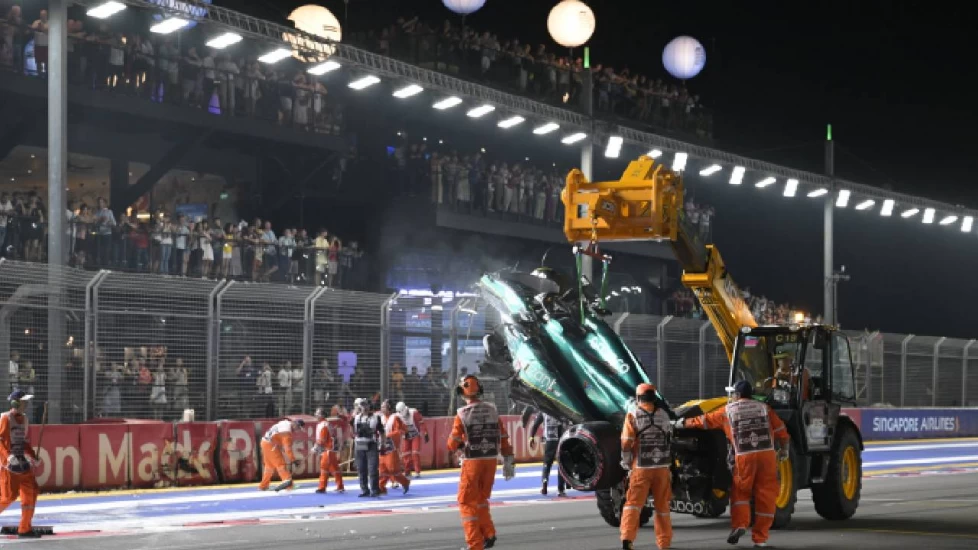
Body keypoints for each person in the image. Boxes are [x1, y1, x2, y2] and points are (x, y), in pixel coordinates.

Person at [677, 380, 790, 547]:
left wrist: (682, 423)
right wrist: (785, 449)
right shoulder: (764, 408)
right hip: (767, 456)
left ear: (737, 394)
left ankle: (740, 525)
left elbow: (705, 421)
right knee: (766, 496)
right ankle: (761, 539)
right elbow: (781, 430)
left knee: (741, 494)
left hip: (745, 456)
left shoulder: (728, 410)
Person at [447, 375, 515, 550]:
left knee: (466, 502)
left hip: (472, 462)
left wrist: (458, 444)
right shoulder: (492, 410)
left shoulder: (462, 414)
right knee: (481, 499)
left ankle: (475, 545)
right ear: (480, 390)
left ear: (462, 393)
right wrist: (508, 458)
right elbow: (503, 436)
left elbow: (452, 443)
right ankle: (489, 533)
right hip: (491, 461)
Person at [620, 383, 673, 550]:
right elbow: (669, 438)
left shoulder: (633, 415)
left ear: (638, 398)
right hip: (662, 467)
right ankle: (664, 543)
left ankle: (627, 539)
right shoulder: (663, 415)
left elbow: (626, 443)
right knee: (662, 506)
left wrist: (626, 463)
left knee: (633, 504)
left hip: (641, 468)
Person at [0, 391, 40, 538]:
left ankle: (25, 528)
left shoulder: (25, 419)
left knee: (31, 492)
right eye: (24, 401)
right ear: (15, 403)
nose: (27, 404)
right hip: (8, 466)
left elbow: (24, 442)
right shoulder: (6, 418)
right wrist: (8, 456)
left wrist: (33, 456)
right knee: (8, 497)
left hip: (22, 463)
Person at [258, 417, 304, 492]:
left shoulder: (285, 422)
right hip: (271, 444)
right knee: (280, 464)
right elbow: (287, 449)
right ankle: (289, 484)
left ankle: (263, 485)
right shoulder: (287, 433)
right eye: (298, 428)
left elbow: (277, 436)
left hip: (265, 442)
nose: (297, 430)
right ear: (296, 425)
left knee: (269, 466)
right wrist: (293, 460)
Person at [528, 411, 567, 496]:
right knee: (561, 464)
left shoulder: (544, 411)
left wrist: (531, 437)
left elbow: (535, 425)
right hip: (560, 440)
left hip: (549, 440)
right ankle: (561, 489)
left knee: (547, 463)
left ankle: (544, 483)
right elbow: (566, 424)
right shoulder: (560, 411)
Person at [353, 398, 384, 498]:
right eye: (362, 405)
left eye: (366, 405)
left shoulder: (376, 418)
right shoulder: (356, 418)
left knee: (372, 468)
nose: (364, 407)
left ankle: (374, 490)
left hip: (371, 445)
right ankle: (364, 489)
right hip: (359, 445)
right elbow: (352, 430)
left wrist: (382, 444)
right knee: (361, 469)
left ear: (370, 406)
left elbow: (382, 432)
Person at [379, 400, 411, 494]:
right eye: (381, 407)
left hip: (391, 446)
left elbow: (399, 431)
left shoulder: (395, 418)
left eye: (384, 407)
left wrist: (387, 436)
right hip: (382, 446)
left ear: (389, 408)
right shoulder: (380, 418)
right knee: (382, 468)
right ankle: (381, 487)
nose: (381, 409)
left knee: (392, 468)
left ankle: (405, 482)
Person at [312, 408, 344, 494]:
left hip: (328, 449)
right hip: (329, 449)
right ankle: (340, 486)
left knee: (324, 468)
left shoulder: (323, 425)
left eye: (317, 413)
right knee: (334, 468)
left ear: (322, 415)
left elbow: (322, 439)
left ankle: (322, 487)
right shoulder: (325, 424)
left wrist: (315, 447)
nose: (315, 414)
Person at [396, 401, 429, 478]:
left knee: (415, 453)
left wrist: (425, 433)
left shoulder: (414, 413)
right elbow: (397, 427)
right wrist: (401, 432)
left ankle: (417, 471)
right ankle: (407, 471)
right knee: (406, 454)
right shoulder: (397, 416)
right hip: (406, 436)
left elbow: (421, 422)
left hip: (415, 435)